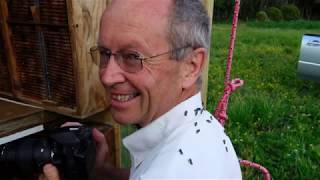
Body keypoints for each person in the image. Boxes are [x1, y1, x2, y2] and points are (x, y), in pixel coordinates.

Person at [39, 0, 242, 179]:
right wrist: (101, 172)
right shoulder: (204, 129)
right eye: (104, 53)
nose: (107, 77)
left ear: (190, 66)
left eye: (132, 57)